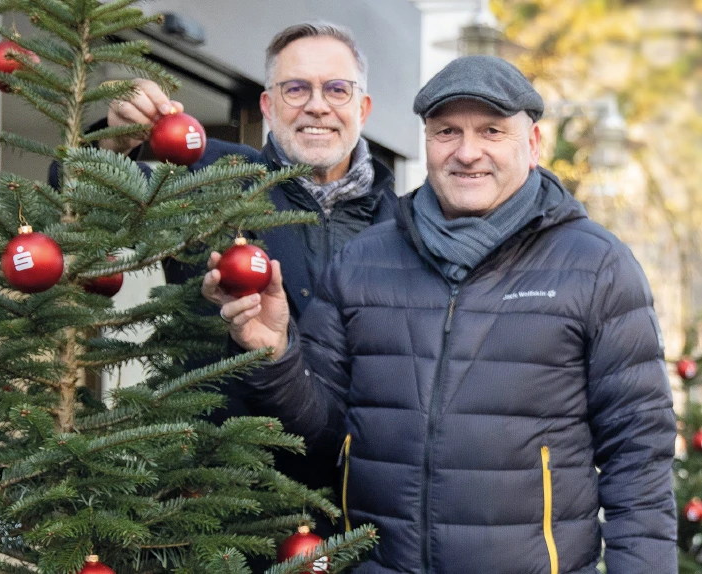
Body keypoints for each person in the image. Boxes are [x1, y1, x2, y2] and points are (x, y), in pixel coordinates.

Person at [201, 55, 678, 573]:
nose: (468, 153)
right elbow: (319, 439)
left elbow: (639, 459)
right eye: (447, 131)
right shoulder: (364, 261)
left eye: (492, 131)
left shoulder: (596, 266)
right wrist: (275, 353)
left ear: (533, 144)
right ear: (426, 140)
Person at [92, 21, 399, 536]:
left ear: (362, 109)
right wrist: (113, 142)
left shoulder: (405, 225)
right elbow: (78, 194)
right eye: (296, 88)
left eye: (337, 89)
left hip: (359, 519)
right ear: (267, 106)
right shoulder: (207, 176)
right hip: (214, 516)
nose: (317, 106)